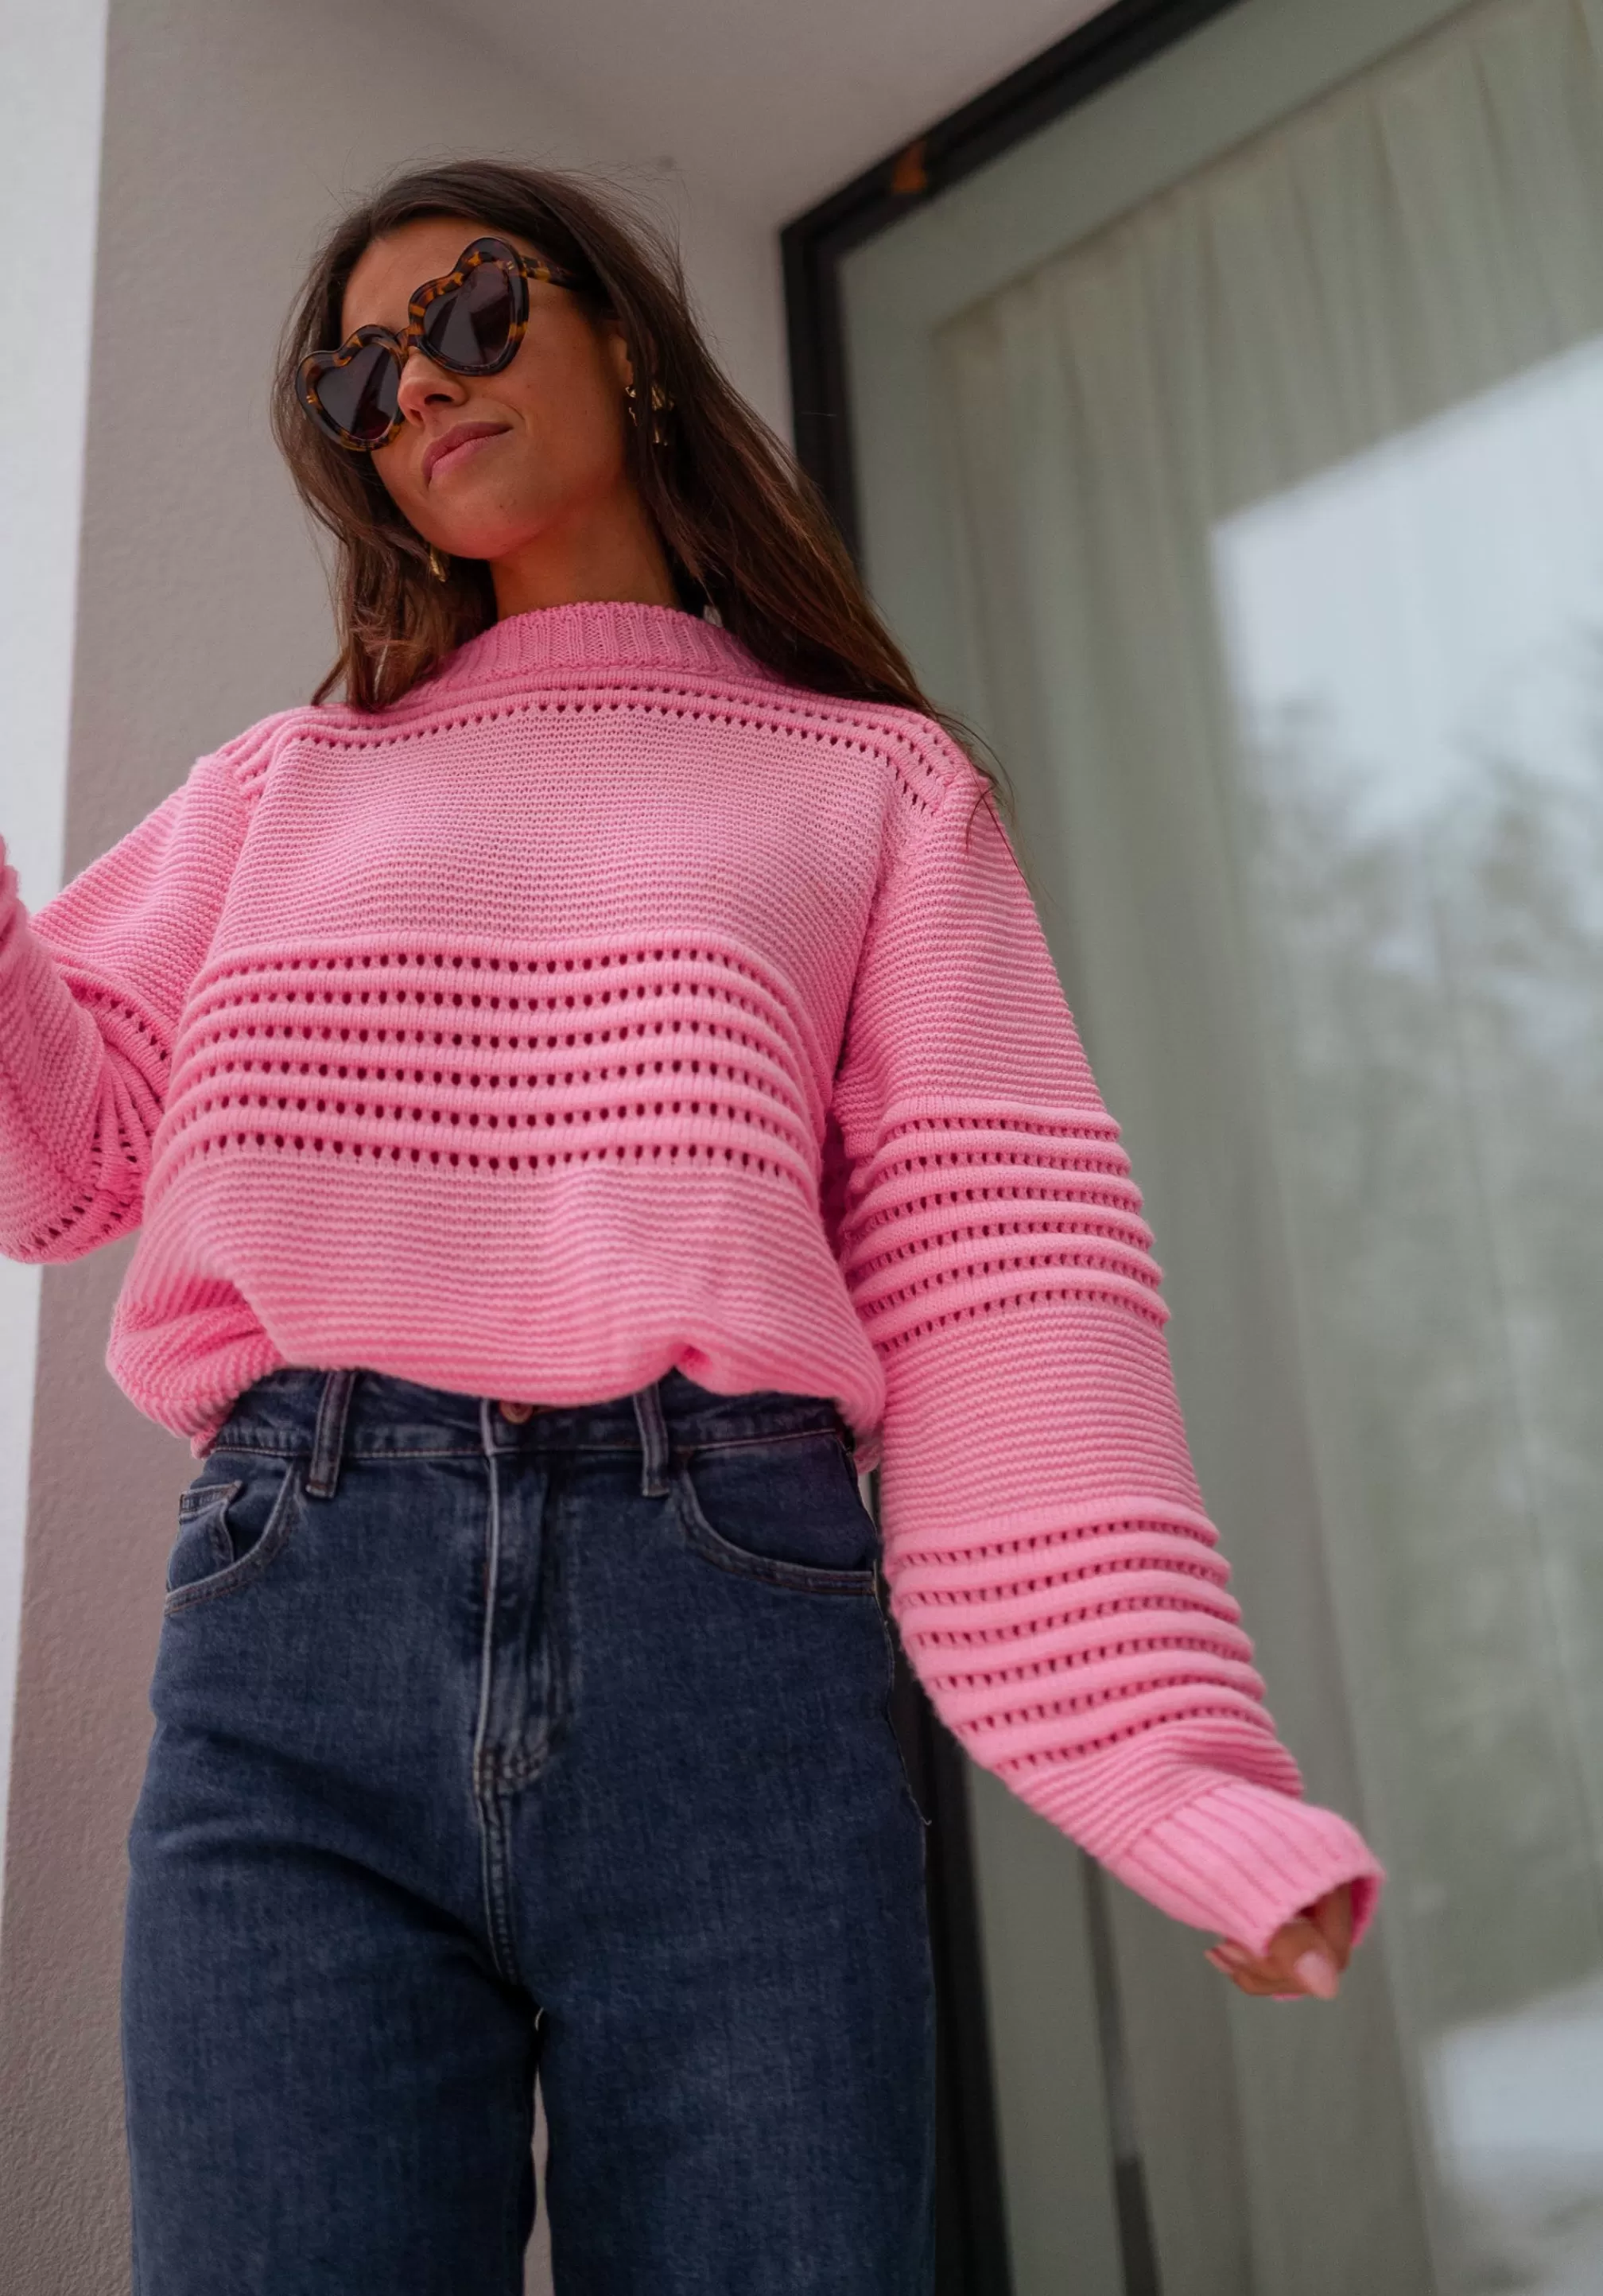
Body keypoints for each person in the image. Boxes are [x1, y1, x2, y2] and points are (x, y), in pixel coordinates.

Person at [0, 161, 1384, 2294]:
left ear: (625, 340)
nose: (414, 388)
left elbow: (1009, 1285)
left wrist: (1179, 1777)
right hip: (297, 1636)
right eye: (357, 380)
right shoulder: (282, 787)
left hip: (727, 1631)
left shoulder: (872, 784)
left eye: (468, 312)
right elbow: (61, 1159)